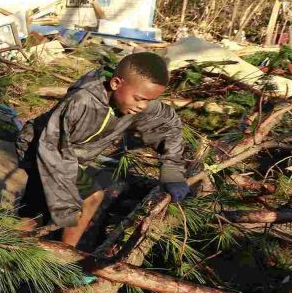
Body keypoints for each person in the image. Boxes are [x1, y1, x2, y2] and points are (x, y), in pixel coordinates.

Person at [17, 52, 191, 248]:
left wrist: (172, 169)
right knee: (84, 199)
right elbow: (53, 148)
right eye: (140, 99)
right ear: (116, 83)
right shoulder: (82, 101)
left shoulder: (132, 99)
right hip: (40, 150)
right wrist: (67, 203)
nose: (143, 106)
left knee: (38, 210)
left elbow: (169, 124)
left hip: (70, 156)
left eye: (149, 101)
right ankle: (61, 258)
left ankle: (30, 249)